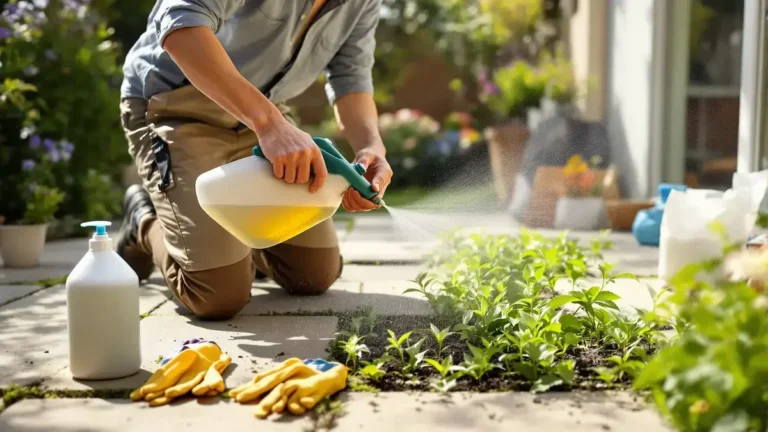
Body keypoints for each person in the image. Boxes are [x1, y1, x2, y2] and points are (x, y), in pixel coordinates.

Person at [116, 0, 393, 321]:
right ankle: (144, 220)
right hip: (175, 105)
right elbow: (180, 25)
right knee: (215, 293)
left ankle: (224, 240)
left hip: (262, 114)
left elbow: (351, 76)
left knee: (312, 274)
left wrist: (371, 145)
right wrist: (270, 125)